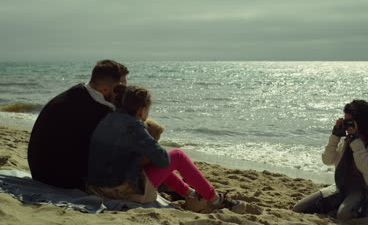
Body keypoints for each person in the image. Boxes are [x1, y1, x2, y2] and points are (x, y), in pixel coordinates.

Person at [86, 85, 245, 213]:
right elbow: (164, 161)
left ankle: (190, 193)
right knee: (177, 156)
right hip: (121, 192)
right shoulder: (135, 125)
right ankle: (216, 199)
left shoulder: (109, 117)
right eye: (148, 110)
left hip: (97, 187)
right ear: (142, 110)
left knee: (149, 160)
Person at [27, 59, 129, 190]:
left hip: (40, 170)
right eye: (121, 87)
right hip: (57, 178)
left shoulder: (79, 93)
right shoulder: (96, 110)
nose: (124, 91)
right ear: (104, 89)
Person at [293, 99, 368, 220]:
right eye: (346, 120)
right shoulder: (347, 141)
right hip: (340, 189)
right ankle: (341, 206)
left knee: (344, 215)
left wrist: (356, 141)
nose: (347, 124)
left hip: (362, 193)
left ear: (362, 122)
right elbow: (327, 160)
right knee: (299, 208)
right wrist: (335, 136)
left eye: (350, 121)